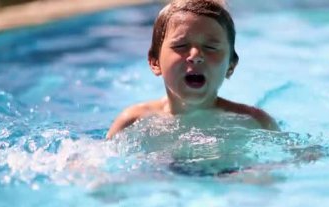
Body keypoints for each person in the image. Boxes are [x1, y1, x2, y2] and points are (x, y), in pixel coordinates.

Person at [106, 0, 279, 139]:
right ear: (155, 62)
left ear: (230, 66)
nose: (196, 55)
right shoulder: (133, 122)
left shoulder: (255, 122)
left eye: (211, 47)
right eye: (181, 45)